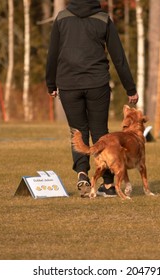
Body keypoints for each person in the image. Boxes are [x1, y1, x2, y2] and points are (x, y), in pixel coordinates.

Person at [46, 0, 139, 198]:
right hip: (97, 83)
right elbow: (118, 57)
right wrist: (130, 88)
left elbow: (52, 53)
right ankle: (107, 183)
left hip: (69, 84)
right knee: (100, 131)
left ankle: (82, 173)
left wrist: (51, 83)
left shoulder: (62, 18)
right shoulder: (103, 19)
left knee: (77, 130)